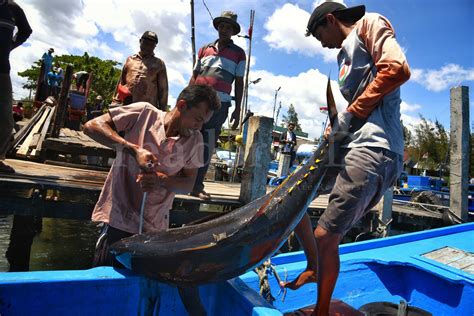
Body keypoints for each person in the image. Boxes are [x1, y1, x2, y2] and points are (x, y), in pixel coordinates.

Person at [282, 3, 411, 315]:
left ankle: (322, 311)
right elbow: (355, 107)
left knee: (326, 235)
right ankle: (314, 266)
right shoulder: (344, 56)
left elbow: (396, 69)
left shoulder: (370, 24)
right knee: (291, 198)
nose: (321, 43)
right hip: (349, 145)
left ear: (330, 19)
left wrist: (351, 113)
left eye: (319, 34)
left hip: (375, 148)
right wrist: (336, 125)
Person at [83, 84, 220, 267]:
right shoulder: (143, 113)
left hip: (154, 229)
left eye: (203, 123)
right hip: (118, 218)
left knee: (144, 287)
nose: (199, 127)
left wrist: (160, 180)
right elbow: (92, 126)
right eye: (197, 119)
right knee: (104, 279)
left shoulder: (195, 140)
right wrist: (133, 150)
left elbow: (188, 184)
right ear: (181, 105)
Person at [189, 11, 246, 200]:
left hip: (220, 105)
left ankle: (196, 186)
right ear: (218, 27)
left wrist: (238, 108)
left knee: (207, 143)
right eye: (222, 26)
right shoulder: (205, 48)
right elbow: (195, 75)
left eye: (228, 27)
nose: (224, 29)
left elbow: (239, 82)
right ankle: (180, 180)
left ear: (233, 31)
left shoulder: (239, 54)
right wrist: (187, 97)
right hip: (197, 102)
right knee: (187, 140)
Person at [0, 0, 32, 173]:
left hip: (2, 70)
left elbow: (26, 31)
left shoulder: (13, 8)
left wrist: (10, 45)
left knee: (5, 119)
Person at [112, 31, 168, 110]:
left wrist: (162, 111)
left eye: (151, 44)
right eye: (146, 42)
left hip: (147, 110)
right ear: (140, 41)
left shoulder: (159, 64)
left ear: (155, 46)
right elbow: (121, 83)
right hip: (126, 107)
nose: (148, 46)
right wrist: (115, 102)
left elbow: (163, 90)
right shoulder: (130, 60)